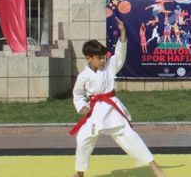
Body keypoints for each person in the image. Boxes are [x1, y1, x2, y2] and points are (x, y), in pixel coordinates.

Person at [69, 17, 165, 177]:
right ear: (88, 58)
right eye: (99, 58)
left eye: (103, 57)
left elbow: (119, 55)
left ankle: (154, 167)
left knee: (129, 136)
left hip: (111, 108)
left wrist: (122, 33)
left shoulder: (109, 67)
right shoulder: (83, 76)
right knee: (83, 139)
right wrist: (82, 106)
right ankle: (79, 173)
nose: (102, 60)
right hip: (94, 111)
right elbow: (77, 94)